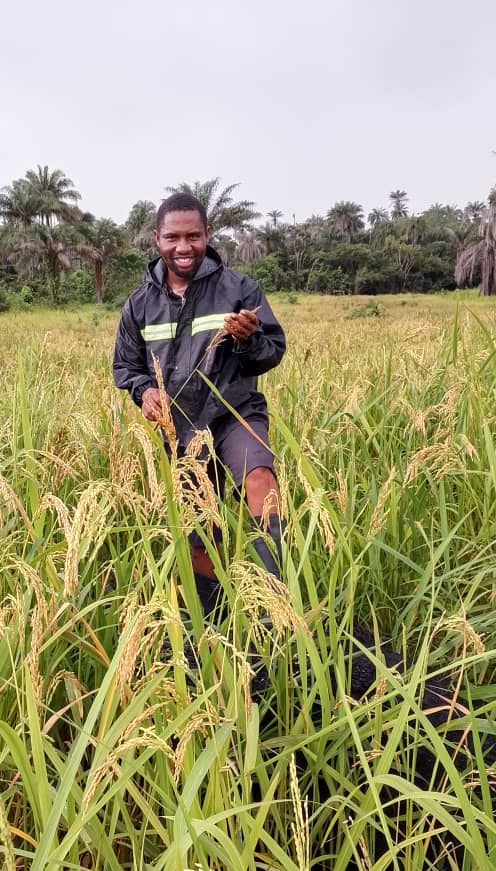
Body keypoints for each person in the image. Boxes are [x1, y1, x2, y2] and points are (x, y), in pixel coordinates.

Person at [113, 192, 286, 628]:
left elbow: (269, 355)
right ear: (157, 239)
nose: (183, 246)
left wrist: (249, 339)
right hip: (181, 429)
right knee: (197, 525)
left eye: (193, 236)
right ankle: (212, 621)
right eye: (173, 237)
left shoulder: (239, 289)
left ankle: (273, 605)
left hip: (234, 410)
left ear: (207, 235)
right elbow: (126, 367)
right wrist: (143, 392)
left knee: (260, 478)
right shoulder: (139, 305)